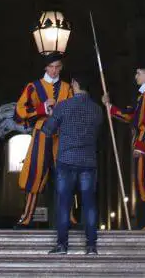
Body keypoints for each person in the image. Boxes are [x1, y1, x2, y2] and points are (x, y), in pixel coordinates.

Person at [40, 71, 103, 255]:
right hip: (88, 162)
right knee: (89, 204)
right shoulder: (97, 109)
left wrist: (52, 115)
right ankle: (91, 246)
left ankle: (62, 245)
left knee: (63, 204)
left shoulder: (63, 106)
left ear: (74, 83)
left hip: (66, 161)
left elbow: (48, 130)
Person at [12, 51, 72, 228]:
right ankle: (27, 217)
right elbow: (19, 110)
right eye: (51, 67)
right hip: (42, 133)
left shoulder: (67, 88)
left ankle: (69, 218)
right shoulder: (34, 86)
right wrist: (41, 109)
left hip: (61, 135)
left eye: (57, 67)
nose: (54, 71)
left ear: (61, 68)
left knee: (65, 175)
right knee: (34, 175)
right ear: (46, 67)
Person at [103, 61, 145, 230]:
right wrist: (110, 107)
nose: (135, 76)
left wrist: (140, 145)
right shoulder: (142, 97)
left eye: (138, 73)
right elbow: (131, 117)